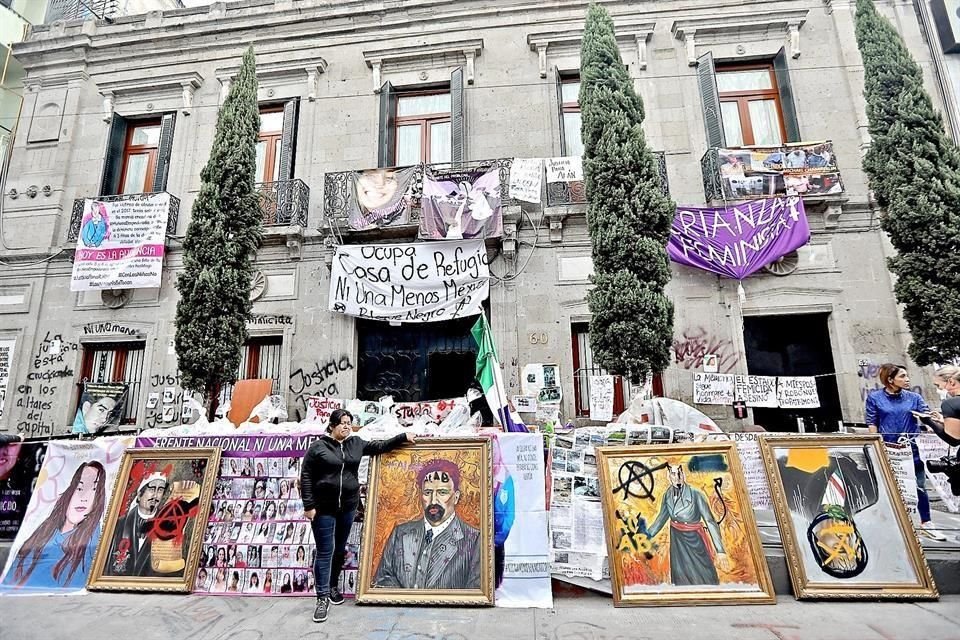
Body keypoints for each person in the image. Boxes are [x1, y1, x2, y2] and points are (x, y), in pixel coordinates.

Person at [301, 409, 413, 623]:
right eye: (342, 423)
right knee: (325, 551)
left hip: (348, 507)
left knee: (339, 549)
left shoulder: (356, 443)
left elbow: (379, 447)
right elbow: (306, 476)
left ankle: (333, 586)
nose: (346, 426)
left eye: (349, 422)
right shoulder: (318, 448)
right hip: (323, 508)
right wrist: (309, 505)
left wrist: (402, 437)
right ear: (332, 425)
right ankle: (322, 598)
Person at [865, 364, 946, 540]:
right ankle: (889, 524)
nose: (907, 379)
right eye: (902, 376)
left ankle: (926, 523)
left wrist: (933, 421)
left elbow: (926, 417)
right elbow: (872, 422)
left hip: (912, 449)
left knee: (919, 485)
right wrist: (876, 445)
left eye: (907, 376)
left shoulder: (914, 397)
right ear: (890, 379)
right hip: (888, 449)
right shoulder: (874, 398)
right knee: (888, 487)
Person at [373, 459, 481, 591]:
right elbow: (382, 579)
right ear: (420, 495)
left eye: (442, 492)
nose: (433, 500)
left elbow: (475, 591)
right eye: (427, 493)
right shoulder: (400, 533)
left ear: (456, 497)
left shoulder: (474, 539)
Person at [8, 462, 106, 589]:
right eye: (80, 488)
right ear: (70, 491)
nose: (84, 498)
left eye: (94, 490)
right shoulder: (47, 527)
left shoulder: (93, 536)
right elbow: (16, 570)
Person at [642, 463, 730, 585]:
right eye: (673, 474)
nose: (677, 477)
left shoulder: (696, 494)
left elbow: (710, 521)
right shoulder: (667, 495)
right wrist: (645, 537)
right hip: (677, 540)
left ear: (684, 475)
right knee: (680, 575)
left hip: (694, 540)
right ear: (669, 476)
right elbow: (660, 519)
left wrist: (720, 551)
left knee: (703, 575)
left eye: (679, 473)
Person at [107, 472, 169, 576]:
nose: (155, 495)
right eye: (152, 489)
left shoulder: (167, 526)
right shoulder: (120, 524)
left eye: (160, 490)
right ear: (139, 495)